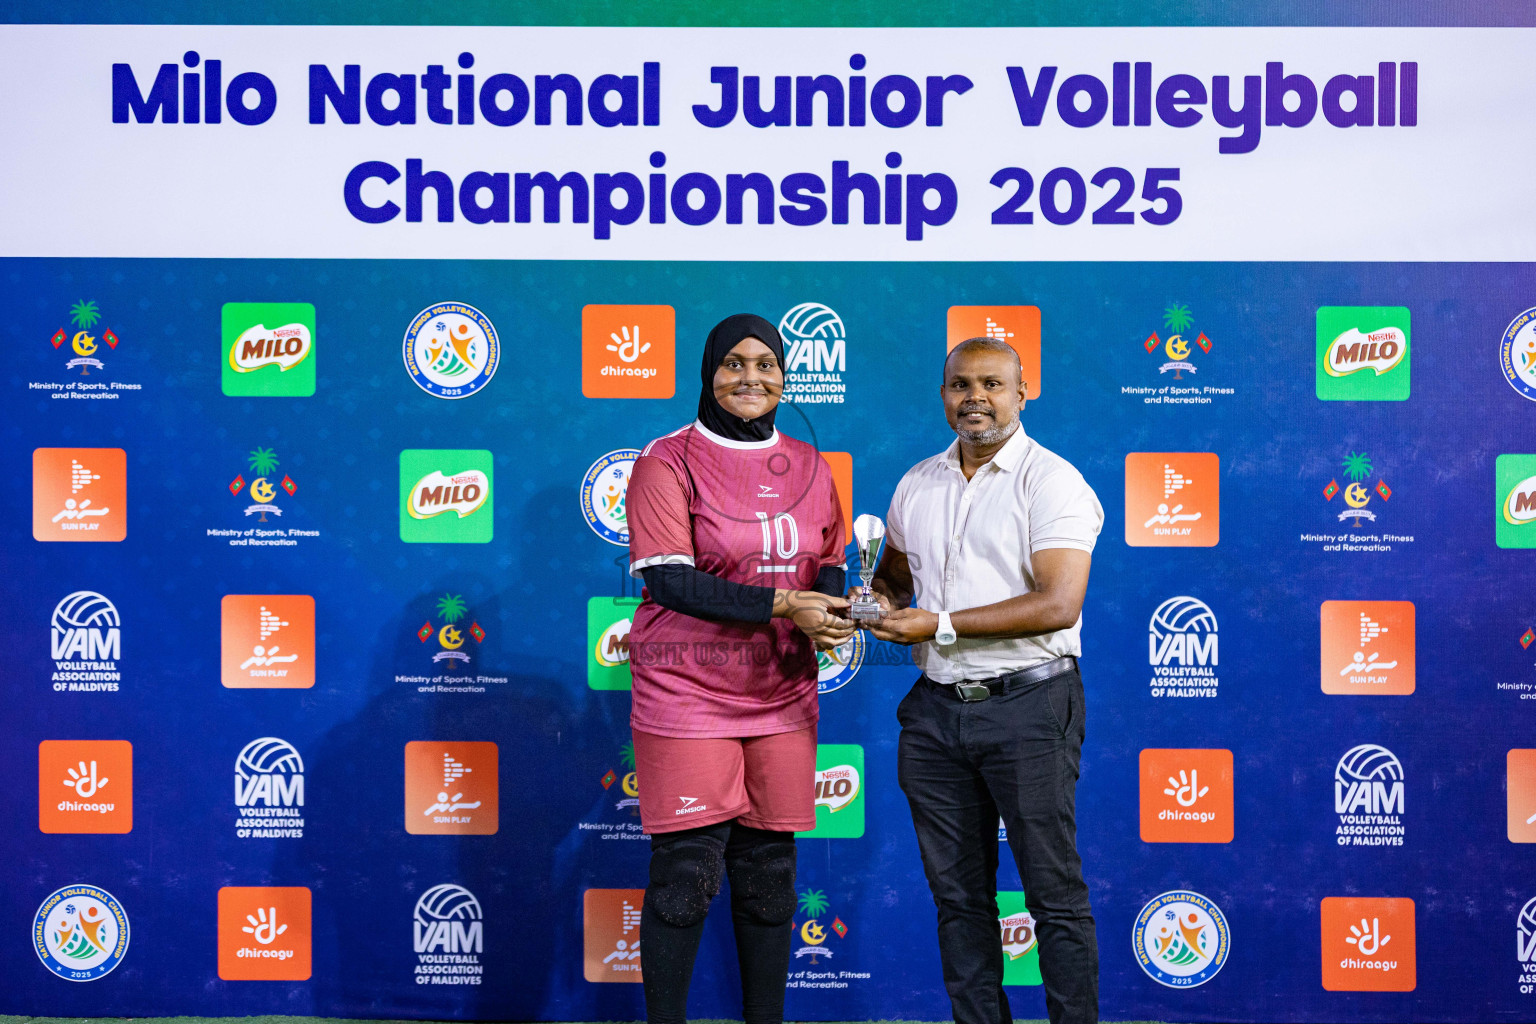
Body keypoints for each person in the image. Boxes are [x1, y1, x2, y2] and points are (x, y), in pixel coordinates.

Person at [862, 337, 1104, 1024]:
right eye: (961, 384)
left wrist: (934, 623)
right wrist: (876, 601)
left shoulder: (1052, 481)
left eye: (993, 384)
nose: (976, 397)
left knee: (1052, 895)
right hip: (936, 716)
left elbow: (1059, 603)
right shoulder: (917, 483)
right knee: (959, 900)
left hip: (1029, 704)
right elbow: (898, 581)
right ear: (943, 396)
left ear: (1023, 395)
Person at [624, 313, 853, 1024]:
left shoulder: (813, 467)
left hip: (781, 695)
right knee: (684, 881)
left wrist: (841, 614)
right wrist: (790, 603)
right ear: (708, 373)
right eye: (733, 363)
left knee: (769, 880)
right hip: (687, 690)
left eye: (766, 363)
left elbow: (833, 564)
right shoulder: (669, 459)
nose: (750, 376)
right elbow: (670, 581)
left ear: (786, 375)